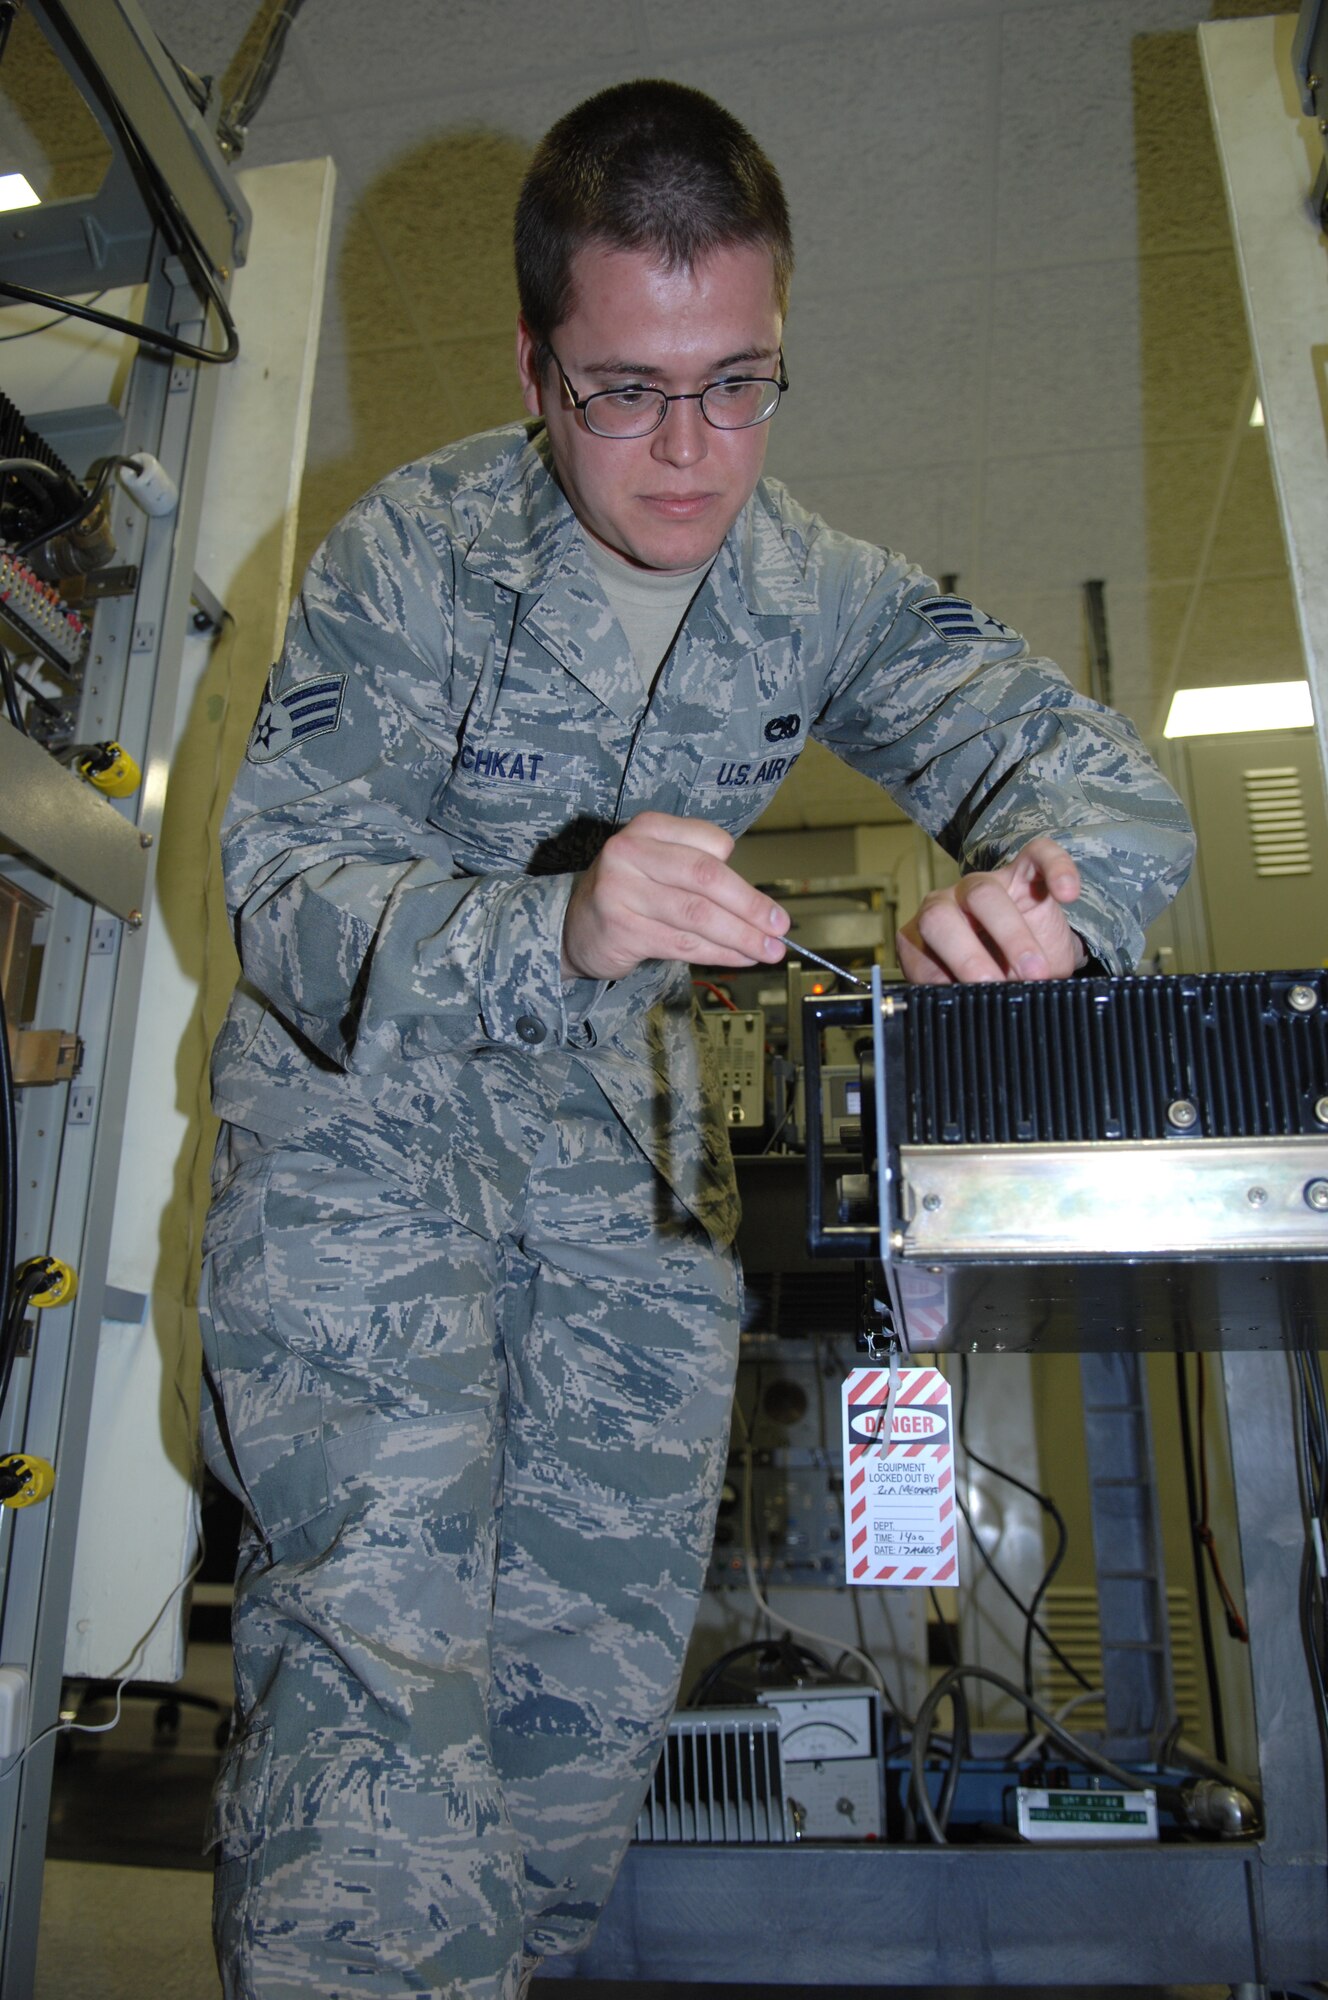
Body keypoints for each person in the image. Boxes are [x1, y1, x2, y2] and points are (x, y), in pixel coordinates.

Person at [199, 77, 1195, 2000]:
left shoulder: (814, 587)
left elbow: (1096, 781)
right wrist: (549, 921)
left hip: (626, 1205)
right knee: (382, 1746)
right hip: (366, 1171)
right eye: (627, 392)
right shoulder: (415, 555)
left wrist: (1053, 911)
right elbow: (283, 897)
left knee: (573, 1768)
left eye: (740, 383)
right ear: (534, 366)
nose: (689, 455)